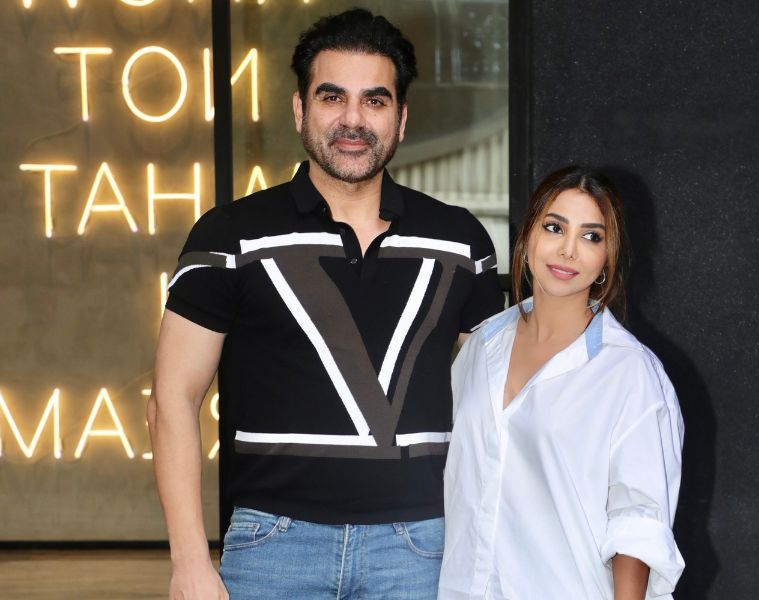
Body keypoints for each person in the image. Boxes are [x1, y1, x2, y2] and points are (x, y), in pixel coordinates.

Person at [147, 8, 504, 600]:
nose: (353, 119)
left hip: (421, 549)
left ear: (402, 118)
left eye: (375, 100)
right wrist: (188, 563)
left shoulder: (461, 241)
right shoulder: (230, 234)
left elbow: (494, 408)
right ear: (300, 109)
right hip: (272, 548)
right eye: (332, 97)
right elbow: (171, 400)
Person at [438, 167, 684, 599]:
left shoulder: (629, 372)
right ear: (528, 236)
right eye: (554, 227)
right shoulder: (482, 346)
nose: (568, 250)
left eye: (591, 236)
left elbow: (639, 522)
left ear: (606, 258)